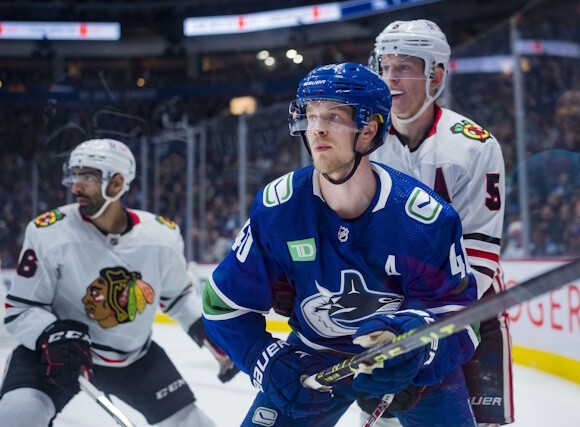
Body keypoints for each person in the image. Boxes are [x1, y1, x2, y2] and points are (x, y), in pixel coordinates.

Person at [202, 62, 480, 427]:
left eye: (333, 116)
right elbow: (222, 305)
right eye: (311, 114)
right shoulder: (279, 209)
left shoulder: (423, 220)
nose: (316, 128)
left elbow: (463, 321)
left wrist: (418, 348)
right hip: (312, 355)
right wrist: (264, 360)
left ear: (368, 130)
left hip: (400, 358)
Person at [0, 138, 238, 426]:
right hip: (53, 354)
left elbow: (177, 298)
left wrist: (217, 339)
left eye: (87, 176)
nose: (75, 186)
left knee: (192, 424)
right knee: (17, 416)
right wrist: (50, 334)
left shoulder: (161, 237)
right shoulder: (48, 232)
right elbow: (20, 308)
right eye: (75, 175)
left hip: (132, 358)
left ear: (116, 184)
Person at [367, 20, 511, 426]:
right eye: (385, 67)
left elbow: (479, 261)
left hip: (471, 315)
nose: (390, 79)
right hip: (388, 315)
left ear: (437, 76)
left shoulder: (472, 146)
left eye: (405, 68)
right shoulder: (363, 145)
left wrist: (427, 336)